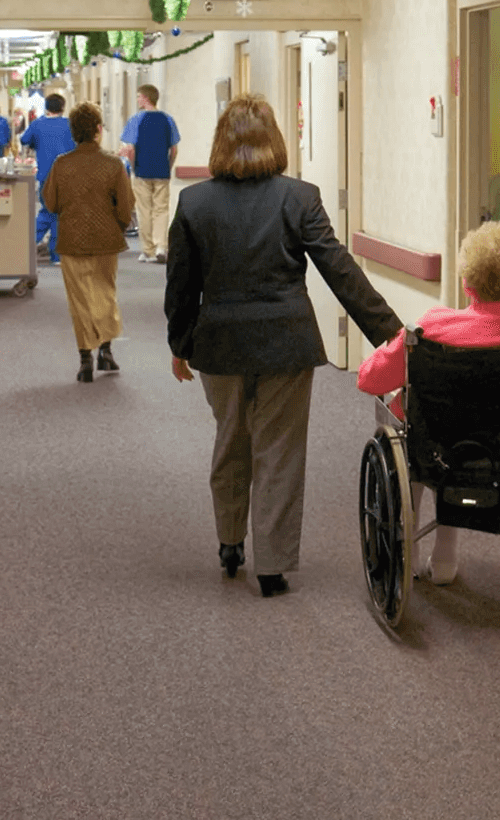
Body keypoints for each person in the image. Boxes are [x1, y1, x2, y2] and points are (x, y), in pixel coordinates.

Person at [165, 94, 403, 597]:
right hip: (286, 341)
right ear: (274, 140)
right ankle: (270, 565)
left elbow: (181, 286)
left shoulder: (194, 202)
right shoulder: (300, 197)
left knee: (230, 439)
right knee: (279, 449)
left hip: (220, 343)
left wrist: (180, 344)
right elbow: (339, 269)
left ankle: (230, 543)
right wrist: (392, 334)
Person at [356, 222, 500, 585]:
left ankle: (416, 550)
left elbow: (369, 379)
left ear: (468, 282)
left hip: (440, 445)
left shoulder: (432, 328)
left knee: (412, 432)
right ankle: (446, 554)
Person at [41, 102, 135, 384]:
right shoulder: (113, 164)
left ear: (73, 132)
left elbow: (51, 202)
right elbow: (125, 208)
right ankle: (106, 350)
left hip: (71, 241)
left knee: (79, 300)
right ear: (97, 130)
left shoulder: (61, 164)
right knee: (105, 294)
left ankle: (85, 359)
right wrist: (115, 227)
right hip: (106, 241)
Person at [120, 83, 180, 263]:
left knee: (144, 210)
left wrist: (133, 166)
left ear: (145, 98)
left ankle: (148, 250)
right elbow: (174, 149)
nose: (137, 99)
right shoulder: (168, 119)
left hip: (141, 171)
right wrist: (168, 167)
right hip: (162, 171)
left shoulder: (135, 120)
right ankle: (162, 245)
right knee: (161, 210)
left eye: (139, 96)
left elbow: (130, 149)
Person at [17, 93, 76, 264]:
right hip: (67, 177)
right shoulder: (69, 125)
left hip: (45, 176)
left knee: (48, 211)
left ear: (46, 107)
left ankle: (25, 245)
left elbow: (24, 139)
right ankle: (55, 254)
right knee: (59, 214)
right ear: (63, 108)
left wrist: (38, 143)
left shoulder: (37, 124)